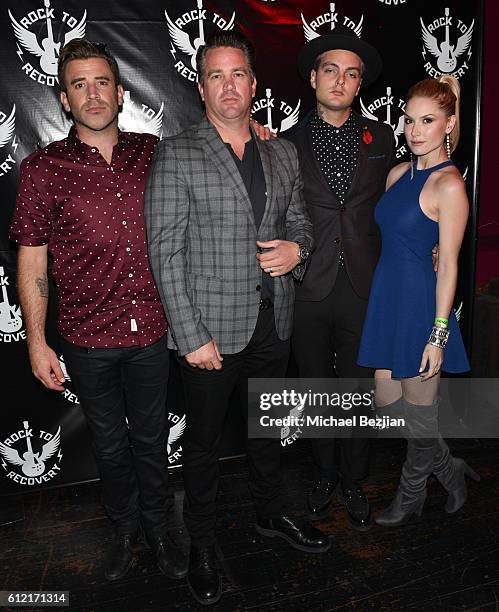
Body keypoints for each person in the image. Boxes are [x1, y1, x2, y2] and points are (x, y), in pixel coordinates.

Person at [144, 30, 329, 607]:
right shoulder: (177, 151)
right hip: (210, 336)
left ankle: (271, 515)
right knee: (202, 447)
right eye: (216, 75)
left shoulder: (281, 151)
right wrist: (191, 336)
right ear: (202, 88)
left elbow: (300, 222)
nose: (229, 85)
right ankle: (201, 544)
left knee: (268, 433)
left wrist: (299, 251)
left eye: (238, 74)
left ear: (254, 83)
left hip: (275, 324)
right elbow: (163, 251)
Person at [9, 39, 187, 582]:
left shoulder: (156, 154)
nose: (92, 94)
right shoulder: (43, 168)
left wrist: (257, 132)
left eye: (102, 82)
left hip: (156, 330)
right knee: (110, 444)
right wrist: (38, 341)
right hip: (88, 338)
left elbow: (217, 169)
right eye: (79, 84)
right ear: (63, 99)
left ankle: (158, 528)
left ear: (120, 90)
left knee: (152, 438)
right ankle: (125, 529)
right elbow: (32, 257)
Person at [357, 76, 480, 525]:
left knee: (421, 417)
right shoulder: (397, 173)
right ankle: (451, 470)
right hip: (387, 301)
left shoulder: (450, 186)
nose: (415, 129)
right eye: (409, 120)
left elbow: (448, 264)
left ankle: (411, 495)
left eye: (427, 121)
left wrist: (438, 334)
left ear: (449, 124)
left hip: (421, 310)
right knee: (389, 405)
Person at [288, 27, 394, 530]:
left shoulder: (384, 138)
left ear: (359, 85)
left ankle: (354, 478)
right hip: (307, 284)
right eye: (331, 70)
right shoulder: (285, 142)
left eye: (351, 74)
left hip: (363, 284)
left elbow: (399, 200)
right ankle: (325, 472)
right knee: (314, 390)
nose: (340, 80)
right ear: (313, 78)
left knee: (358, 391)